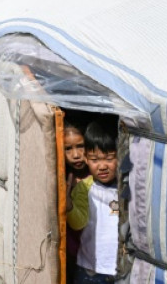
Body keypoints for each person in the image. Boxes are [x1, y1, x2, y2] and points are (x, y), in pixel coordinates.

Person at [67, 119, 119, 284]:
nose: (102, 166)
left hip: (120, 270)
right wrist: (69, 207)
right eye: (95, 160)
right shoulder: (84, 188)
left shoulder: (127, 188)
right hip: (89, 271)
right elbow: (78, 222)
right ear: (87, 159)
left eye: (109, 158)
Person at [63, 117, 91, 282]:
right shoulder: (61, 178)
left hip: (95, 251)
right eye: (68, 149)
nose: (76, 155)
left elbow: (113, 208)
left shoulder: (99, 178)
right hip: (71, 251)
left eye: (80, 146)